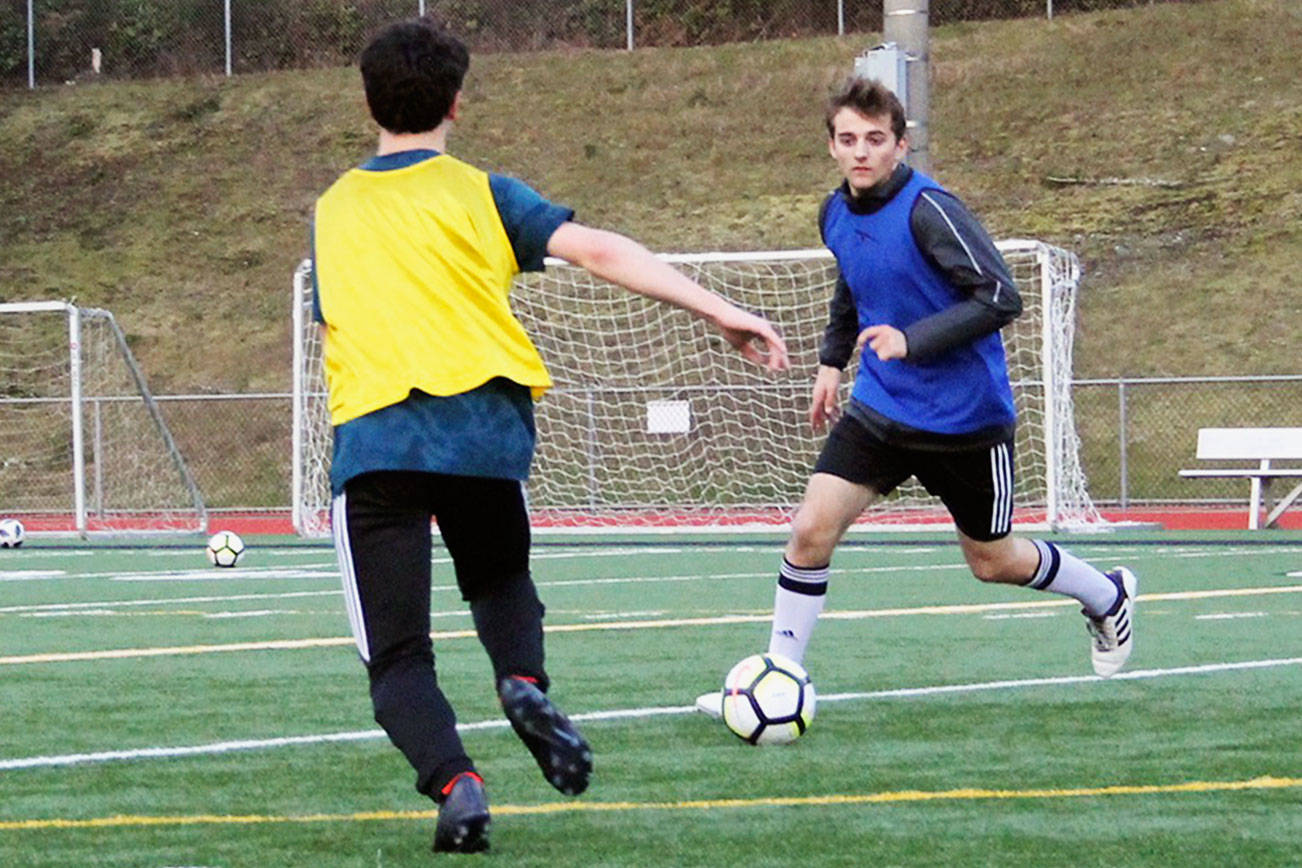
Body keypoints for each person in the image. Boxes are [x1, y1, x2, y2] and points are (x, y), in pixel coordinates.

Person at [312, 17, 788, 854]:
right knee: (500, 585)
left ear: (365, 102)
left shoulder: (333, 209)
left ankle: (456, 782)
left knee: (397, 660)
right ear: (458, 102)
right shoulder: (482, 193)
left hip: (380, 442)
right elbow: (599, 251)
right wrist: (721, 310)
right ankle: (523, 682)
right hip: (485, 436)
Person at [765, 77, 1135, 684]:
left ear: (900, 146)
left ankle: (1106, 594)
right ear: (831, 146)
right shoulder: (833, 212)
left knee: (993, 562)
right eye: (848, 139)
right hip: (881, 409)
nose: (862, 151)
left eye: (876, 139)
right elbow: (851, 285)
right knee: (809, 531)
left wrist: (912, 340)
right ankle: (780, 674)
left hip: (965, 420)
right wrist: (832, 361)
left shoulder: (930, 210)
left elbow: (998, 296)